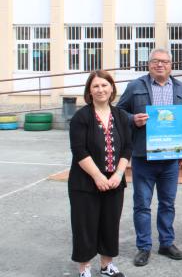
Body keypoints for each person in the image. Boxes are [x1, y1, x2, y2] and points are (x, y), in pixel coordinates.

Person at [116, 48, 182, 267]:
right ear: (149, 64)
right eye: (155, 61)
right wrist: (133, 119)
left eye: (164, 62)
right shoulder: (136, 87)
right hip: (143, 157)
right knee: (142, 204)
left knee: (167, 203)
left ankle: (166, 242)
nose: (160, 65)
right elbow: (118, 112)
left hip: (171, 159)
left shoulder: (181, 89)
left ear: (171, 65)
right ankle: (144, 247)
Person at [68, 70, 131, 277]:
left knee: (109, 225)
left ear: (112, 88)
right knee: (85, 226)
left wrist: (118, 175)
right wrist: (97, 176)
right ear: (89, 91)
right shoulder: (81, 117)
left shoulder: (121, 116)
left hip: (114, 182)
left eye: (104, 85)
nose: (100, 89)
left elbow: (127, 148)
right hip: (85, 183)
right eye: (95, 86)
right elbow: (79, 150)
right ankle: (84, 269)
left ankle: (106, 267)